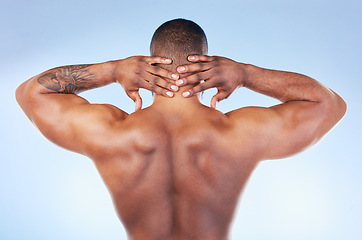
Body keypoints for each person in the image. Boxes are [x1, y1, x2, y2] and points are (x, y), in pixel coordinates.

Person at [16, 19, 346, 240]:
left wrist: (113, 70)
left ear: (150, 62)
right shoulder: (238, 133)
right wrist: (245, 73)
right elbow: (328, 104)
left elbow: (33, 93)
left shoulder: (112, 132)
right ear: (206, 63)